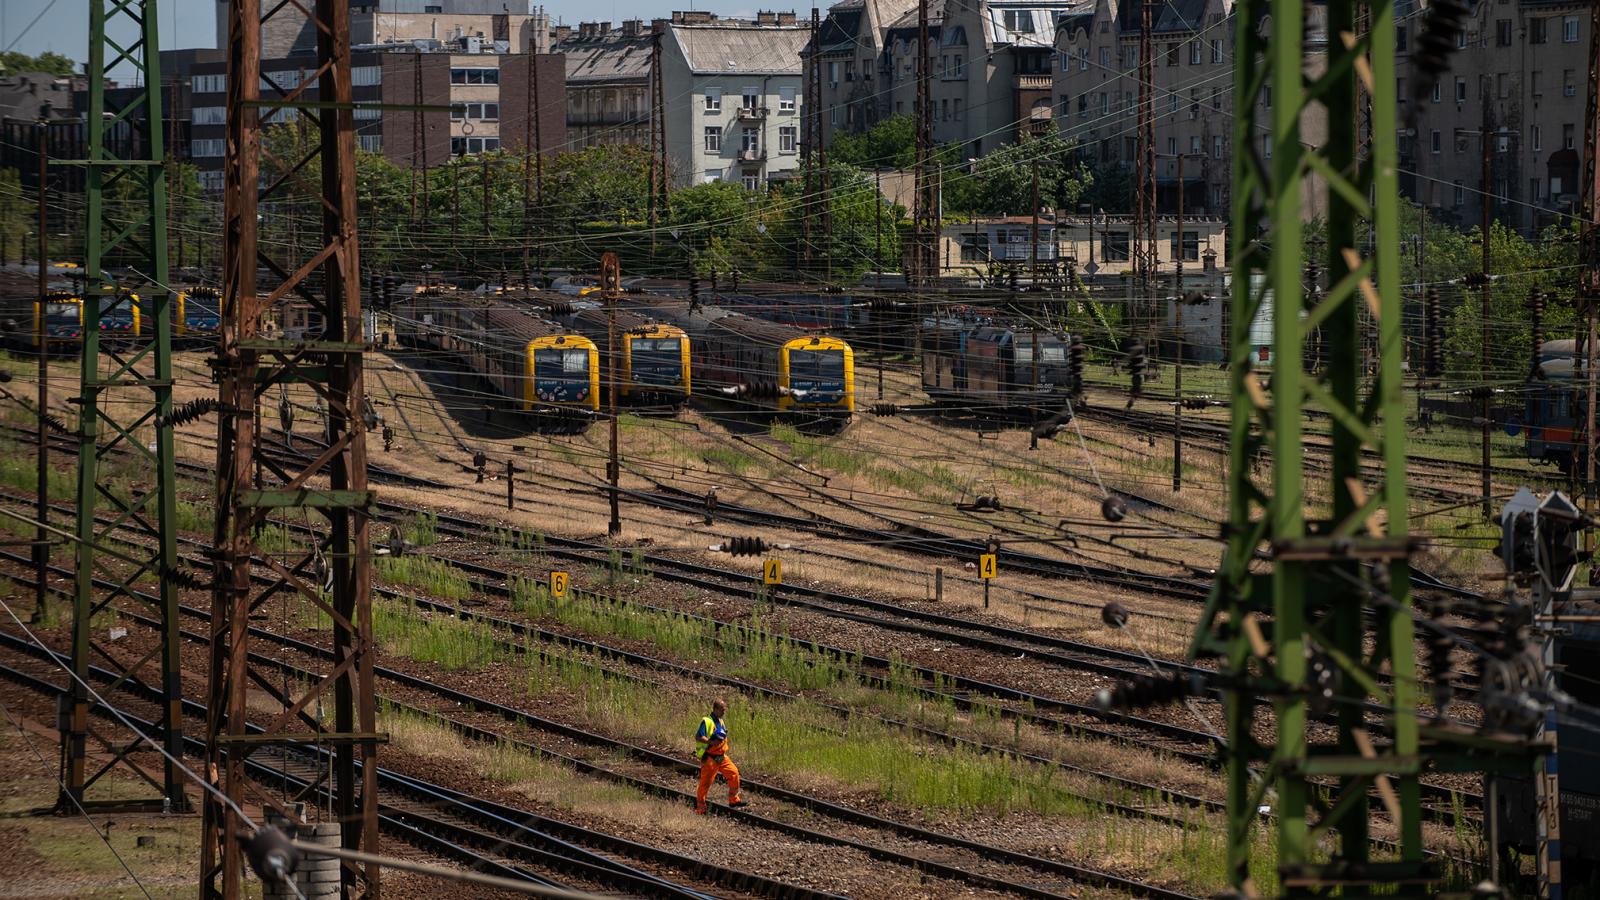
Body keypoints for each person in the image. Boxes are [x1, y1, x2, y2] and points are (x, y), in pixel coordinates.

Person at [693, 698, 746, 814]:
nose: (724, 711)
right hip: (710, 758)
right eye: (722, 709)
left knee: (734, 773)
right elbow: (698, 736)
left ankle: (734, 800)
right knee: (705, 783)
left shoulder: (720, 721)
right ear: (716, 709)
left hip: (721, 756)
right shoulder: (707, 721)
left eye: (725, 709)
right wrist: (711, 742)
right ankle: (701, 808)